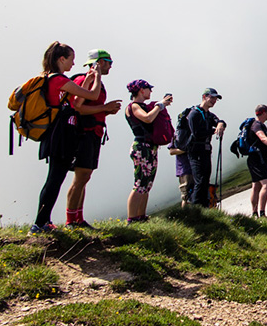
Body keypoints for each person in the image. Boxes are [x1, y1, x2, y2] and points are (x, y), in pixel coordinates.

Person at [29, 42, 103, 234]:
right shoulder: (60, 80)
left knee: (54, 178)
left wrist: (87, 79)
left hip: (53, 134)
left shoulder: (48, 78)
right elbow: (92, 95)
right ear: (61, 59)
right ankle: (40, 223)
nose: (73, 63)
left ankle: (43, 221)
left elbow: (76, 99)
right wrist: (97, 77)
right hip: (61, 135)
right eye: (71, 59)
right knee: (55, 179)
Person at [65, 49, 122, 230]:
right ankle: (70, 221)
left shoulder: (95, 80)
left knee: (84, 176)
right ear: (100, 62)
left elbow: (89, 107)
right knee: (80, 176)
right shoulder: (85, 80)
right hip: (84, 133)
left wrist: (106, 110)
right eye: (109, 62)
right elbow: (78, 107)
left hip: (93, 132)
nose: (111, 65)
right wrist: (105, 107)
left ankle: (78, 219)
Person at [125, 79, 173, 223]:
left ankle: (141, 216)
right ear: (141, 90)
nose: (150, 91)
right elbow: (147, 118)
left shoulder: (141, 106)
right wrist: (160, 105)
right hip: (141, 146)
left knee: (147, 183)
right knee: (140, 182)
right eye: (148, 89)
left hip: (149, 146)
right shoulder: (134, 106)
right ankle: (132, 218)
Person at [186, 88, 226, 207]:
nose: (214, 100)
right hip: (196, 151)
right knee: (200, 180)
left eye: (215, 99)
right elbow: (197, 133)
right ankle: (196, 209)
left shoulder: (208, 114)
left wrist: (220, 124)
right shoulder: (194, 113)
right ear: (204, 97)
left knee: (205, 180)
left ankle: (204, 207)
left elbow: (220, 121)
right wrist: (214, 130)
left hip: (206, 150)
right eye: (212, 98)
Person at [168, 141, 193, 207]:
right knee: (185, 196)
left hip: (194, 166)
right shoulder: (176, 134)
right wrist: (186, 149)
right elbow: (172, 151)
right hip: (184, 169)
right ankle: (184, 214)